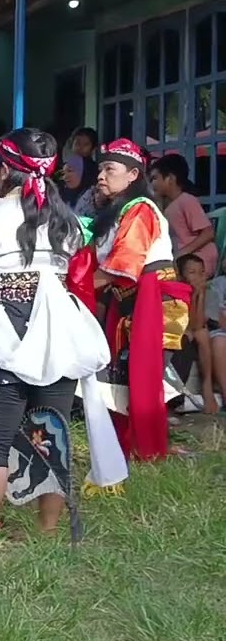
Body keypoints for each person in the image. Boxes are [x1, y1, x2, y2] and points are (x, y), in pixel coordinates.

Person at [0, 127, 124, 560]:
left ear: (3, 170)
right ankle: (49, 529)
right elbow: (82, 288)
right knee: (50, 430)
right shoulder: (73, 224)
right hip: (60, 333)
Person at [92, 138, 191, 460]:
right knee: (123, 377)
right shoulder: (115, 213)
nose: (101, 176)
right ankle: (128, 445)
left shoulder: (141, 209)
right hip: (127, 302)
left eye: (110, 169)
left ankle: (148, 449)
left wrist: (72, 287)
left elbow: (125, 261)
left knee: (144, 379)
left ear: (133, 175)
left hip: (152, 299)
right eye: (100, 169)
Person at [151, 154, 217, 273]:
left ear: (170, 178)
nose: (152, 184)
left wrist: (184, 252)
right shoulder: (168, 206)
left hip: (197, 260)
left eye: (155, 178)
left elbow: (208, 233)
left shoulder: (187, 200)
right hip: (181, 261)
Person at [174, 254, 217, 413]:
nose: (198, 276)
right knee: (199, 333)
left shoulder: (210, 290)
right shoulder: (176, 291)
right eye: (192, 272)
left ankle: (207, 385)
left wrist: (200, 295)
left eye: (201, 272)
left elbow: (198, 325)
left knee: (202, 334)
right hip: (178, 332)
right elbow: (190, 325)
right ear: (180, 276)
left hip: (196, 333)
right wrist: (194, 296)